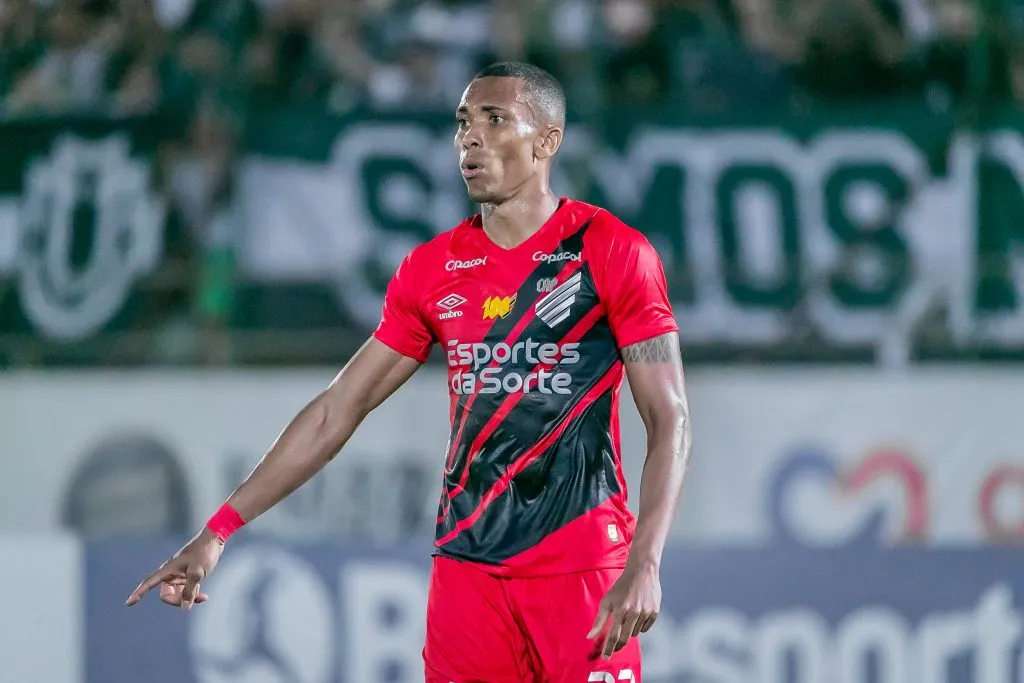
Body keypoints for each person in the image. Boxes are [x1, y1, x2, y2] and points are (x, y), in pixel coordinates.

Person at [126, 61, 693, 683]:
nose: (469, 138)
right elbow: (334, 410)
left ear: (547, 141)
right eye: (462, 122)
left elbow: (668, 419)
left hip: (582, 567)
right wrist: (219, 530)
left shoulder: (611, 251)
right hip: (467, 574)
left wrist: (646, 561)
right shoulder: (432, 270)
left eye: (494, 119)